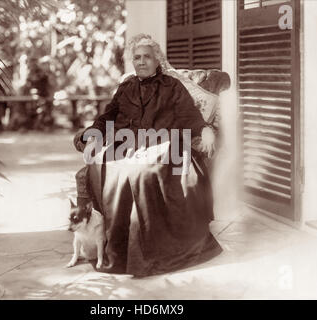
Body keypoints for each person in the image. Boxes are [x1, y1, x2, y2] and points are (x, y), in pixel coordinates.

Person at [73, 33, 223, 276]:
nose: (141, 62)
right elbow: (107, 116)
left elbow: (188, 115)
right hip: (128, 145)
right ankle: (117, 249)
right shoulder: (126, 87)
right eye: (137, 58)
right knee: (108, 167)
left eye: (147, 57)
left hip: (165, 144)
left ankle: (150, 254)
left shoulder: (172, 86)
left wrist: (204, 130)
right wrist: (92, 134)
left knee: (141, 174)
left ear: (157, 60)